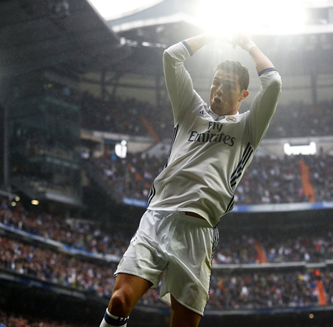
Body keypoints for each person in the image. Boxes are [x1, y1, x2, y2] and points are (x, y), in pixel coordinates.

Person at [99, 33, 282, 327]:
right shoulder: (190, 110)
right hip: (157, 218)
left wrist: (246, 44)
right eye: (216, 82)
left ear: (244, 95)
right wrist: (214, 34)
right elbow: (171, 56)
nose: (218, 90)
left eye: (228, 85)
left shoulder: (249, 125)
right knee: (119, 300)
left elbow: (273, 83)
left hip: (199, 232)